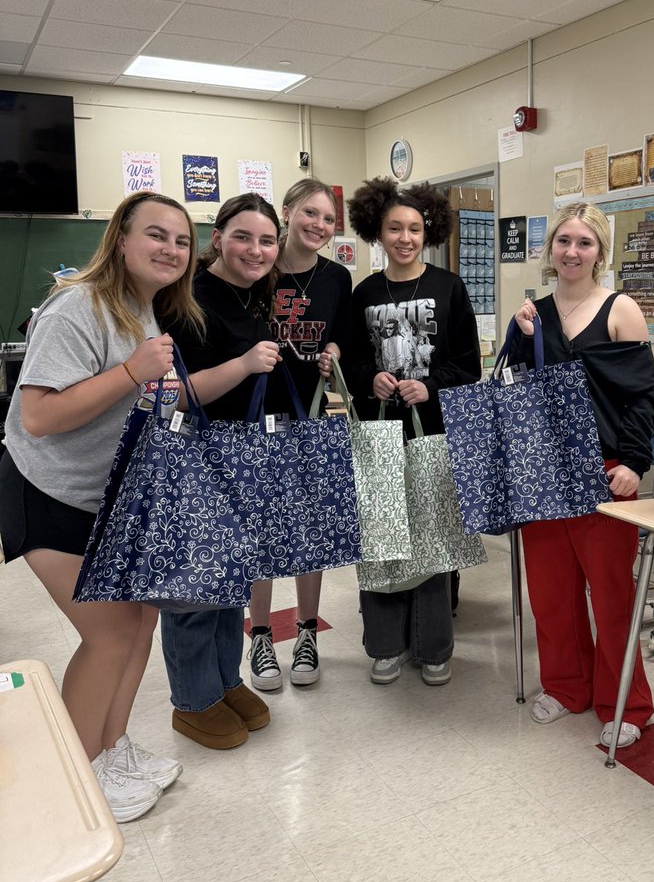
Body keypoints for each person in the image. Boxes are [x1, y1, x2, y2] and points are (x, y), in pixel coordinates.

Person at [0, 192, 203, 821]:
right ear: (120, 239)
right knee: (109, 633)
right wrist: (133, 373)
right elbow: (38, 416)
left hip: (108, 498)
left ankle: (111, 750)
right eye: (156, 235)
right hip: (48, 493)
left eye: (182, 240)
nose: (171, 249)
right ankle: (78, 775)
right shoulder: (78, 306)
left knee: (139, 622)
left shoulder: (144, 311)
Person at [513, 203, 654, 747]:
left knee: (613, 593)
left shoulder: (621, 309)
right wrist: (519, 336)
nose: (572, 252)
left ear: (600, 251)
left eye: (584, 243)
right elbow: (517, 393)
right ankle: (565, 686)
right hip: (543, 472)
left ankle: (626, 703)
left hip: (605, 469)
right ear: (550, 248)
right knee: (551, 591)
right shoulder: (532, 313)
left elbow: (643, 398)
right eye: (563, 241)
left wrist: (633, 463)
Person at [346, 177, 480, 686]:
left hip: (433, 436)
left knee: (433, 540)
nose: (405, 238)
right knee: (382, 539)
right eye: (395, 228)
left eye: (415, 229)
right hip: (379, 436)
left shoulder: (449, 288)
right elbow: (351, 361)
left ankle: (434, 646)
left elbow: (468, 364)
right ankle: (385, 645)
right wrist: (370, 378)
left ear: (429, 232)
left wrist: (431, 386)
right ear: (377, 232)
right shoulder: (364, 293)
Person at [160, 194, 282, 749]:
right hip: (193, 456)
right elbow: (173, 394)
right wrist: (245, 363)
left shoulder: (253, 295)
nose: (255, 250)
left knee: (232, 576)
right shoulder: (185, 296)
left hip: (241, 453)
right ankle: (193, 700)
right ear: (217, 238)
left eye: (266, 240)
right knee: (194, 583)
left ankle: (226, 681)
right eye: (242, 237)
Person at [246, 179, 351, 692]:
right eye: (310, 213)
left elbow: (342, 336)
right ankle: (261, 636)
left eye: (328, 219)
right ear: (286, 212)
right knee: (263, 529)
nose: (319, 225)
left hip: (313, 415)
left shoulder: (337, 277)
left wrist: (333, 351)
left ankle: (307, 632)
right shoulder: (256, 267)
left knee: (311, 528)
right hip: (256, 416)